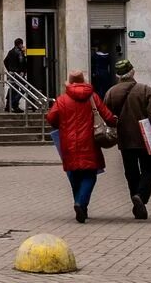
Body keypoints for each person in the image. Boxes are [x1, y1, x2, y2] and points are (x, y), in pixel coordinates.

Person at [46, 70, 118, 224]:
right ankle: (81, 204)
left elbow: (51, 118)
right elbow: (107, 116)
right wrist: (115, 122)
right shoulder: (93, 97)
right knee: (89, 175)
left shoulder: (62, 100)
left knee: (74, 174)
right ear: (83, 81)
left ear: (70, 82)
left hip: (68, 144)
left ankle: (80, 204)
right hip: (89, 142)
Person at [104, 59, 151, 220]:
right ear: (133, 72)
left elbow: (107, 117)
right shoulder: (145, 90)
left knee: (131, 173)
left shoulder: (111, 92)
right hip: (146, 139)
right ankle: (141, 196)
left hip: (124, 139)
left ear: (118, 75)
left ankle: (137, 201)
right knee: (150, 170)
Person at [3, 38, 28, 112]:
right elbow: (22, 62)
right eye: (22, 44)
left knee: (12, 89)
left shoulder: (11, 52)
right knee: (25, 88)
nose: (22, 45)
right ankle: (15, 103)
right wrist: (22, 71)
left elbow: (5, 61)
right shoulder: (20, 52)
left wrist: (9, 70)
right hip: (18, 74)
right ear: (20, 44)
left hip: (11, 73)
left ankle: (8, 105)